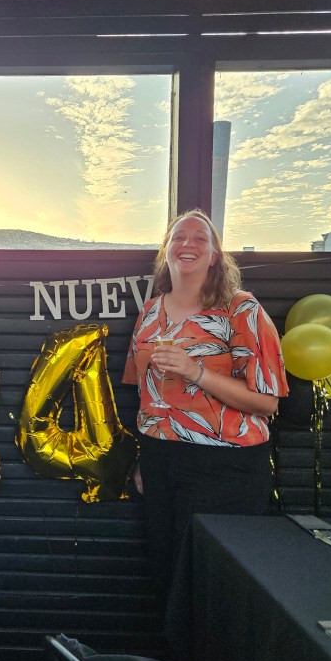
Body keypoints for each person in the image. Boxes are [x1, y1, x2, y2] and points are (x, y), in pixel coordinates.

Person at [122, 209, 288, 625]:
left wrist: (196, 371)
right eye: (178, 237)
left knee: (209, 585)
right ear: (166, 251)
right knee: (167, 573)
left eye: (200, 238)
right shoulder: (150, 312)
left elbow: (267, 403)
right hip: (161, 460)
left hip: (224, 466)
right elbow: (147, 395)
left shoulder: (241, 310)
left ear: (215, 255)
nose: (188, 244)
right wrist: (145, 457)